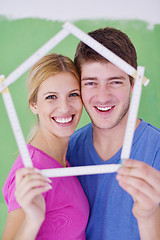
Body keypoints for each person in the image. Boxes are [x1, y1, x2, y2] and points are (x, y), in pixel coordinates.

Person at [67, 27, 160, 240]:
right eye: (91, 83)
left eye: (115, 81)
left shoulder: (156, 150)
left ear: (133, 85)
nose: (102, 96)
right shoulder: (68, 151)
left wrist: (150, 216)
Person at [2, 53, 89, 240]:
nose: (64, 107)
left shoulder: (65, 159)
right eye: (51, 97)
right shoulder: (31, 171)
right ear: (34, 104)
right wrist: (33, 220)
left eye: (73, 94)